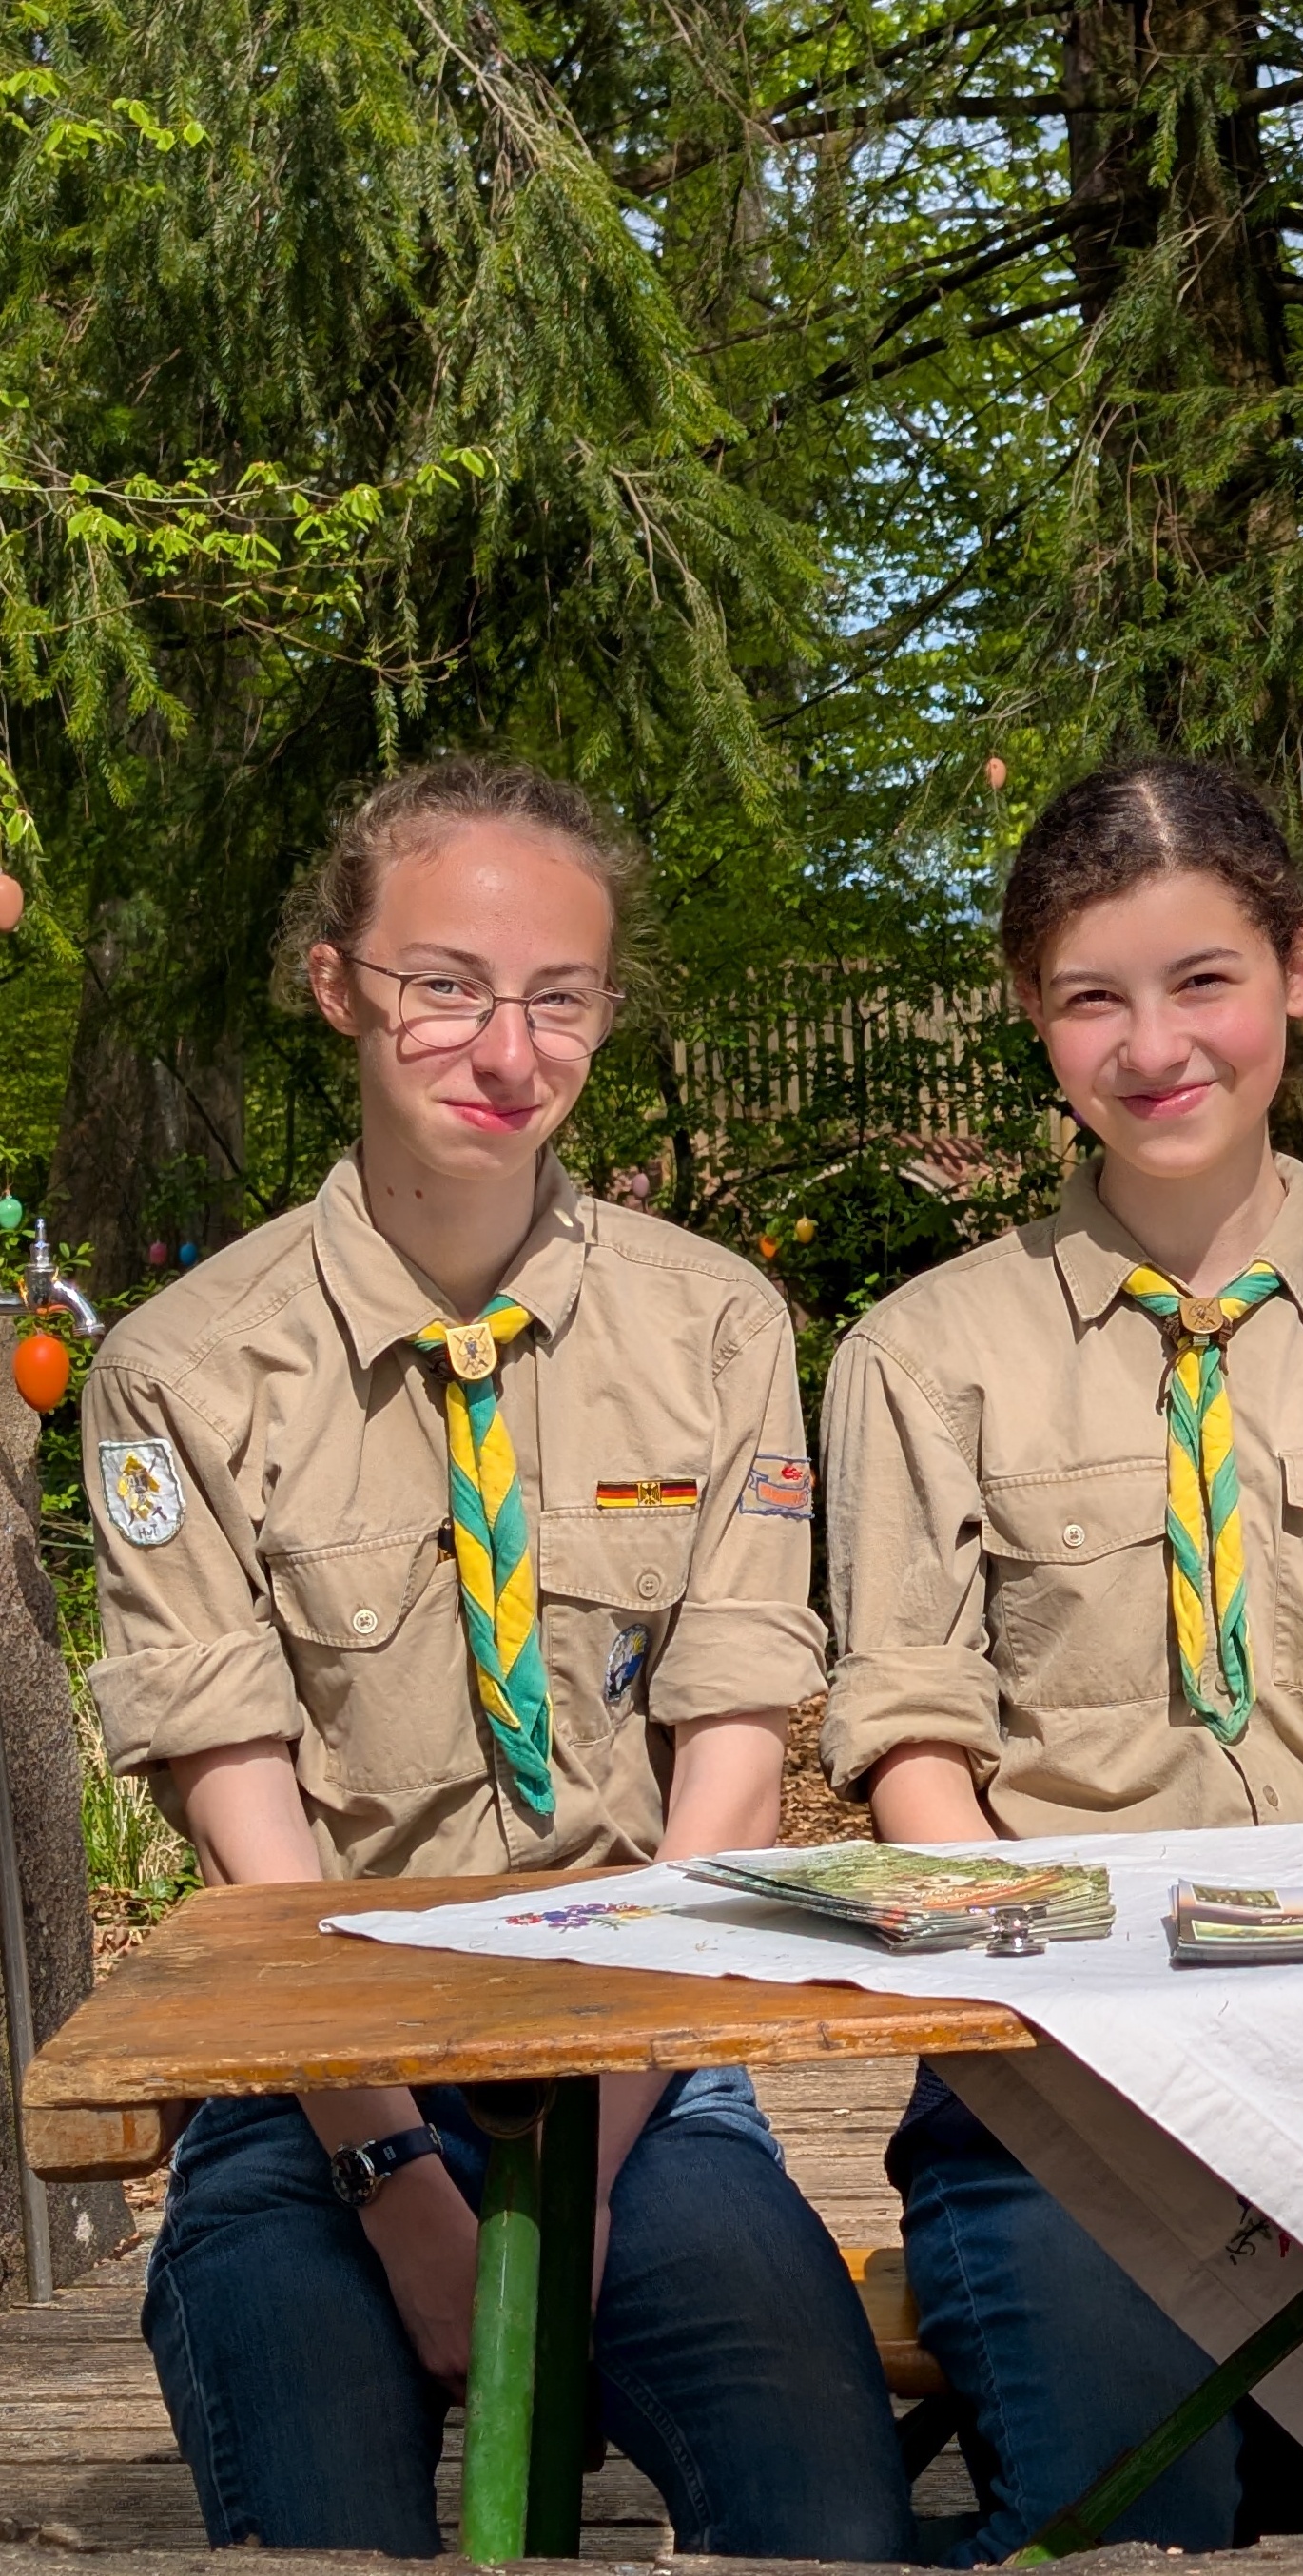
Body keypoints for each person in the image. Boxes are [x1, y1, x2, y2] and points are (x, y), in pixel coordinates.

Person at [82, 757, 915, 2559]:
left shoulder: (714, 1323)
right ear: (338, 986)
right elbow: (250, 1838)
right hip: (313, 2081)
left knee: (826, 2515)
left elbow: (730, 1762)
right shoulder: (183, 1371)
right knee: (324, 2532)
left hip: (638, 2059)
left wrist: (586, 2174)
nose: (504, 1049)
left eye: (559, 997)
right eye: (443, 984)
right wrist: (394, 2182)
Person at [819, 756, 1303, 2559]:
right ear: (1034, 1022)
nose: (1153, 1045)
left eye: (1200, 979)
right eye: (1091, 998)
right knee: (1151, 2524)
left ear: (1297, 966)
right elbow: (914, 1740)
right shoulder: (923, 1353)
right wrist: (1073, 2033)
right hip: (1066, 2095)